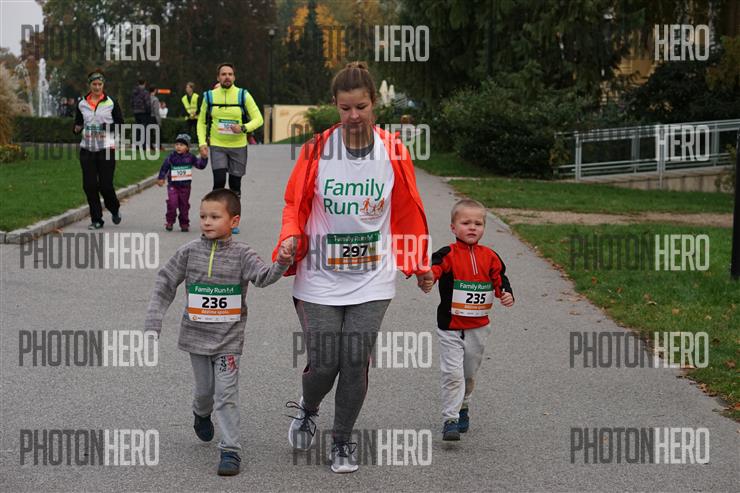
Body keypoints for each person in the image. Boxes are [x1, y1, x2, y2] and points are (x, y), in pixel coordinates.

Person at [273, 61, 433, 474]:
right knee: (325, 363)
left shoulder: (393, 151)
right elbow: (294, 203)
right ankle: (309, 406)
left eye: (361, 106)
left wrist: (419, 263)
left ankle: (342, 440)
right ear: (335, 105)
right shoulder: (316, 150)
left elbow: (406, 211)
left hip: (372, 278)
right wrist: (289, 238)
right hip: (319, 277)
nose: (354, 116)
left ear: (374, 102)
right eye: (345, 108)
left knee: (355, 360)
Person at [144, 189, 296, 476]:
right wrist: (154, 322)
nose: (206, 222)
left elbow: (263, 277)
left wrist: (282, 262)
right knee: (205, 392)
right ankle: (201, 413)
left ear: (233, 221)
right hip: (196, 338)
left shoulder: (243, 254)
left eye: (215, 217)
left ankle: (230, 451)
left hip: (229, 341)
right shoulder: (189, 252)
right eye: (203, 216)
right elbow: (165, 282)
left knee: (225, 394)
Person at [421, 198, 515, 441]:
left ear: (483, 227)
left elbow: (500, 278)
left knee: (468, 374)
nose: (472, 227)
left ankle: (464, 406)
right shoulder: (448, 254)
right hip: (450, 327)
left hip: (478, 327)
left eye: (478, 223)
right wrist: (429, 277)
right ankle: (450, 419)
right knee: (452, 373)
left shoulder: (490, 256)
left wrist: (505, 293)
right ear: (453, 227)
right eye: (465, 223)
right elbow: (435, 268)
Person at [196, 63, 263, 225]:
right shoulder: (209, 96)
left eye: (230, 74)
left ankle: (233, 221)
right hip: (217, 145)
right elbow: (201, 122)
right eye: (223, 74)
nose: (227, 77)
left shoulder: (242, 95)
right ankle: (214, 219)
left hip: (238, 146)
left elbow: (258, 119)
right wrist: (202, 143)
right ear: (218, 77)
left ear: (234, 77)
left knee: (235, 185)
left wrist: (243, 128)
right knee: (219, 182)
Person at [73, 70, 123, 229]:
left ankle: (114, 208)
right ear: (89, 85)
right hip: (87, 149)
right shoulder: (81, 103)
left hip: (106, 148)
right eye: (94, 84)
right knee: (89, 186)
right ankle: (97, 219)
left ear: (103, 85)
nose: (97, 87)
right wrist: (76, 129)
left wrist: (105, 127)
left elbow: (120, 124)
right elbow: (78, 123)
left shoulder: (111, 102)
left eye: (99, 84)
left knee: (106, 186)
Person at [157, 134, 208, 232]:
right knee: (172, 203)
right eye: (177, 144)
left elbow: (200, 165)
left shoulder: (191, 157)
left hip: (185, 187)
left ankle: (184, 223)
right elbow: (164, 168)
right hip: (173, 185)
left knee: (184, 206)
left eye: (181, 145)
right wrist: (161, 178)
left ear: (187, 147)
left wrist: (204, 158)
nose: (178, 147)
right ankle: (170, 221)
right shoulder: (171, 157)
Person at [149, 85, 163, 151]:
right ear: (155, 90)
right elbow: (156, 111)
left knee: (150, 133)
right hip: (154, 117)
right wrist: (159, 121)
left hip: (148, 117)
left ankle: (150, 146)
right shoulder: (155, 99)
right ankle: (159, 146)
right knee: (158, 132)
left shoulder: (147, 98)